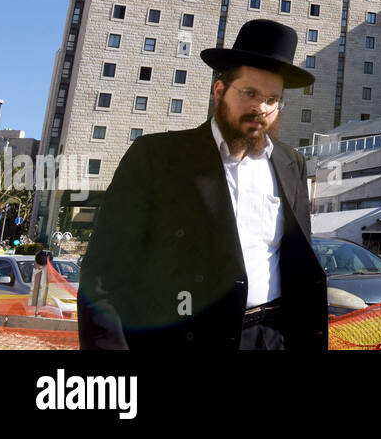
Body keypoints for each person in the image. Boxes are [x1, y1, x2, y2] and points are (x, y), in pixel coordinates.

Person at [78, 19, 327, 350]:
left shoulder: (290, 163)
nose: (261, 108)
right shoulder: (156, 157)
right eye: (250, 93)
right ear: (220, 90)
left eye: (272, 98)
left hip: (271, 337)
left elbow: (298, 262)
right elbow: (103, 277)